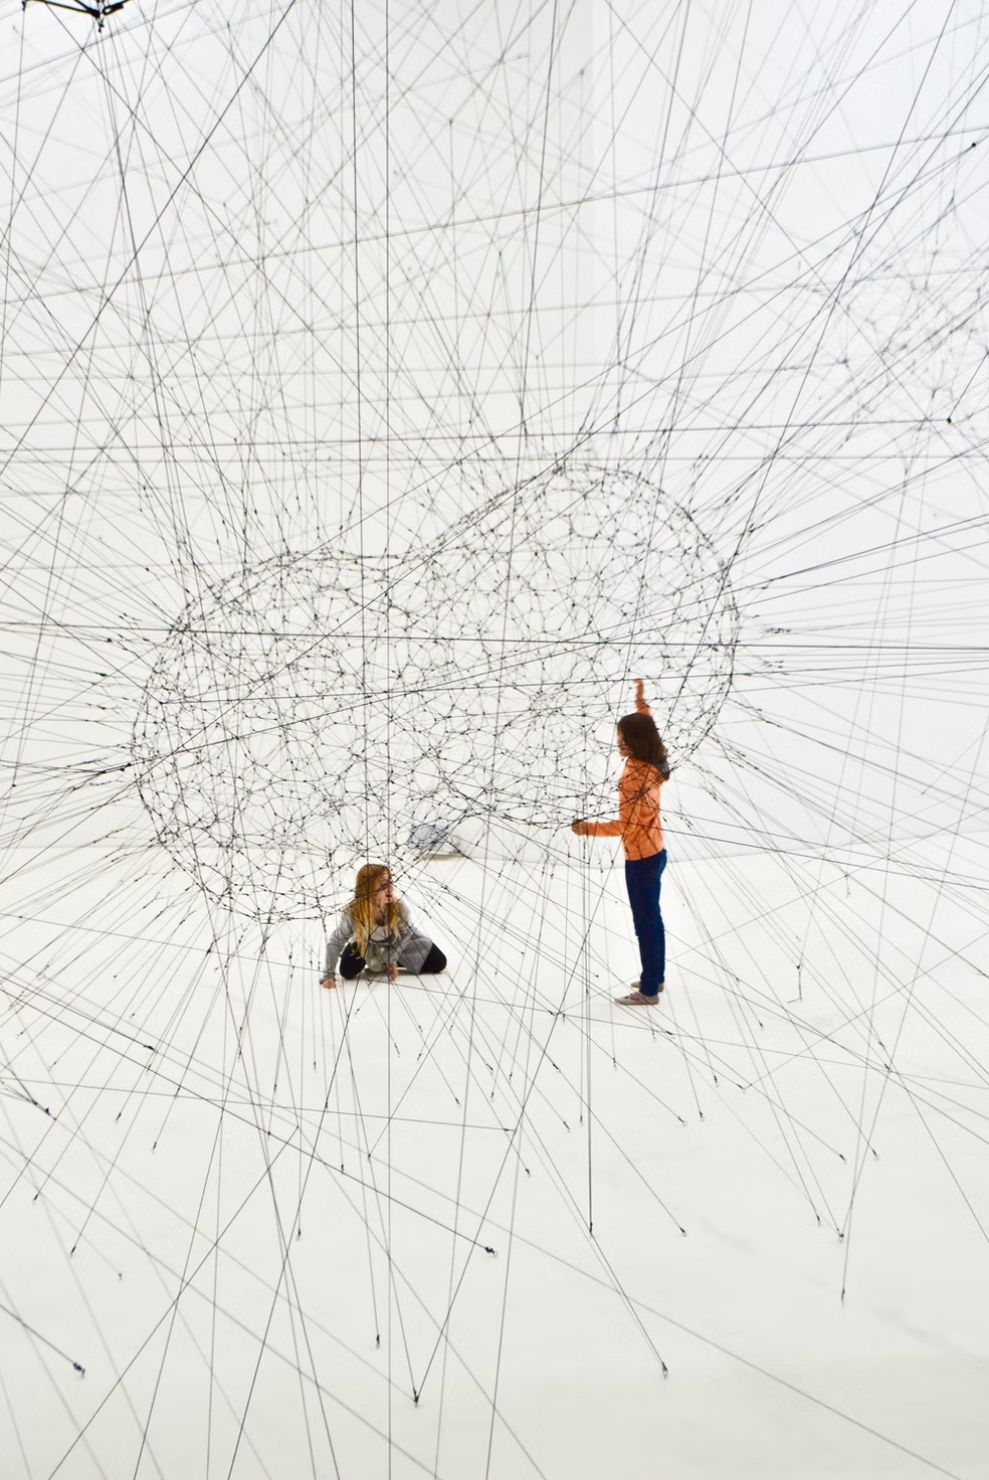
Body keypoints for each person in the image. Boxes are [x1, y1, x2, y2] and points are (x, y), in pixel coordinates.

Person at [572, 679, 670, 1005]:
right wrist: (640, 701)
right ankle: (655, 975)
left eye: (621, 737)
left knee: (645, 923)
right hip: (657, 851)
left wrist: (587, 829)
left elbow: (624, 827)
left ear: (632, 742)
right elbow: (649, 722)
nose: (618, 741)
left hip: (640, 858)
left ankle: (649, 989)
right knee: (653, 917)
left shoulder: (632, 778)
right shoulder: (656, 762)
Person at [319, 863, 446, 988]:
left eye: (390, 882)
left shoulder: (400, 908)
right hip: (366, 945)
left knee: (439, 963)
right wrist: (328, 975)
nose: (390, 888)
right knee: (346, 971)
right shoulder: (353, 912)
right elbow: (336, 941)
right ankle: (379, 959)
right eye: (384, 885)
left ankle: (392, 961)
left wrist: (392, 960)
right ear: (368, 890)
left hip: (397, 944)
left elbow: (406, 934)